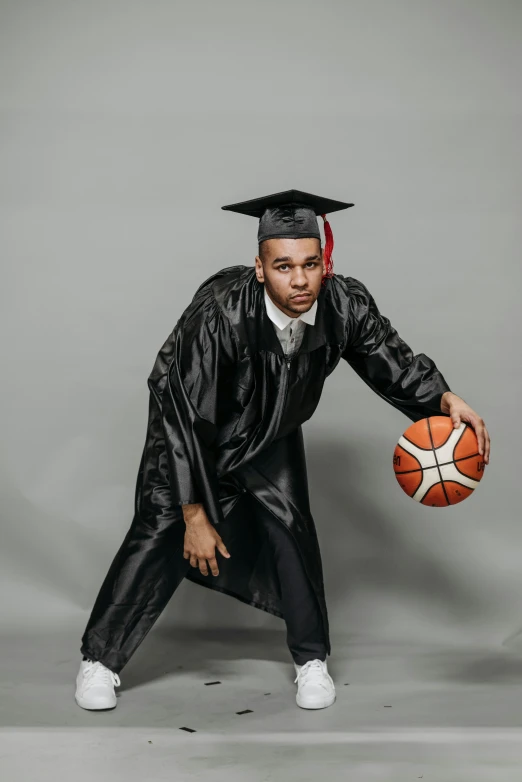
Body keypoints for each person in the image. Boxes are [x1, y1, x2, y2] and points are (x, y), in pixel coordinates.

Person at [75, 189, 491, 712]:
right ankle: (99, 661)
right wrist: (195, 513)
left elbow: (390, 356)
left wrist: (444, 398)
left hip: (270, 434)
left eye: (311, 264)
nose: (299, 280)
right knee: (160, 533)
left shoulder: (343, 303)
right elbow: (183, 414)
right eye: (284, 266)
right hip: (193, 438)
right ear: (259, 268)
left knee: (292, 531)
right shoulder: (219, 316)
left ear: (325, 263)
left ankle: (311, 661)